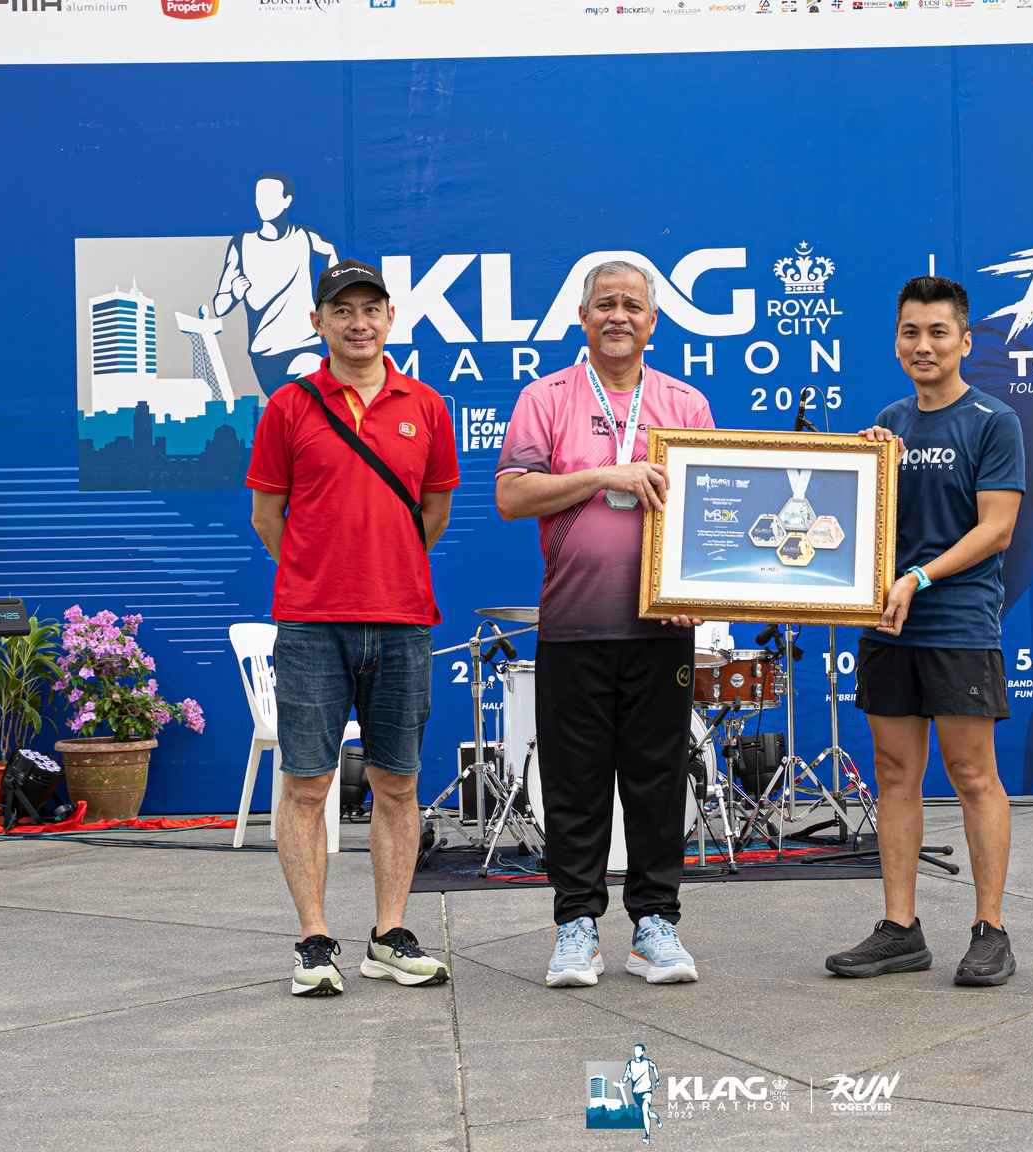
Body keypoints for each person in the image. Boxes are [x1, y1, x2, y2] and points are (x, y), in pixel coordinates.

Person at [495, 260, 713, 988]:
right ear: (583, 318)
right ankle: (576, 927)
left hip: (662, 629)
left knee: (658, 783)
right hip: (574, 624)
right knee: (574, 784)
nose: (619, 315)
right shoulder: (545, 397)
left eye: (633, 305)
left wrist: (698, 586)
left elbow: (710, 512)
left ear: (653, 322)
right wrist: (603, 475)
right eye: (606, 304)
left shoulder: (685, 403)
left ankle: (655, 926)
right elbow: (512, 497)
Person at [247, 259, 459, 997]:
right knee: (307, 785)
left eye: (371, 309)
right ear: (319, 323)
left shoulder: (425, 406)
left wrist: (381, 564)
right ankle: (313, 940)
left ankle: (388, 935)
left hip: (402, 621)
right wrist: (324, 571)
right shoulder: (288, 407)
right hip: (312, 625)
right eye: (342, 311)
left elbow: (434, 512)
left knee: (398, 784)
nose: (358, 323)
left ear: (391, 318)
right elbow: (267, 518)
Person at [824, 275, 1025, 988]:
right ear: (896, 341)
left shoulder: (994, 421)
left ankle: (990, 929)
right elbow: (862, 526)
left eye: (939, 332)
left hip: (958, 621)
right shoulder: (889, 422)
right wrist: (864, 468)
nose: (924, 344)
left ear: (965, 341)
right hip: (887, 624)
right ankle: (900, 928)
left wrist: (918, 578)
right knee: (893, 772)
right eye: (911, 331)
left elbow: (996, 529)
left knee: (972, 774)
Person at [214, 171, 339, 394]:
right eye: (259, 197)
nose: (263, 203)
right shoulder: (241, 244)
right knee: (287, 409)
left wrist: (331, 296)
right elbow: (219, 307)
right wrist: (234, 294)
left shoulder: (305, 237)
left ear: (286, 201)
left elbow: (330, 253)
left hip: (304, 344)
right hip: (264, 355)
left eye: (270, 197)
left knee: (310, 391)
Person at [619, 1043, 662, 1146]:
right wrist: (623, 1081)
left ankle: (647, 1136)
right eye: (635, 1050)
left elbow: (654, 1067)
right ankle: (657, 1117)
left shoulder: (647, 1062)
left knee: (645, 1111)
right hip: (636, 1093)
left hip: (647, 1091)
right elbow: (626, 1076)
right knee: (646, 1113)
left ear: (643, 1052)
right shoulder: (630, 1063)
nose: (636, 1052)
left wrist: (657, 1080)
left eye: (638, 1050)